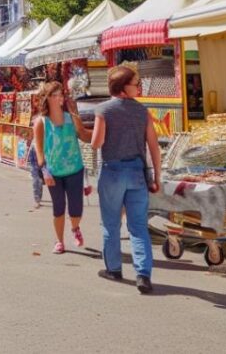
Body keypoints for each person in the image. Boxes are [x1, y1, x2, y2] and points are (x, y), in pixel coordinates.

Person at [91, 65, 162, 294]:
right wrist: (157, 175)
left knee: (111, 223)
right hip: (136, 173)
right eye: (135, 83)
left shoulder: (103, 109)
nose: (138, 87)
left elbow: (96, 143)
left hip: (112, 172)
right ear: (123, 87)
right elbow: (153, 146)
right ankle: (143, 275)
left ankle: (114, 268)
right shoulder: (142, 112)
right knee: (138, 226)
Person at [33, 81, 91, 255]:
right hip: (54, 172)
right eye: (55, 94)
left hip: (74, 169)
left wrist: (75, 113)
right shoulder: (41, 122)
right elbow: (39, 150)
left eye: (61, 94)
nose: (59, 98)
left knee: (76, 208)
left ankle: (75, 227)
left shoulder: (70, 116)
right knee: (58, 207)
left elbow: (82, 134)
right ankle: (59, 241)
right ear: (47, 98)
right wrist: (44, 171)